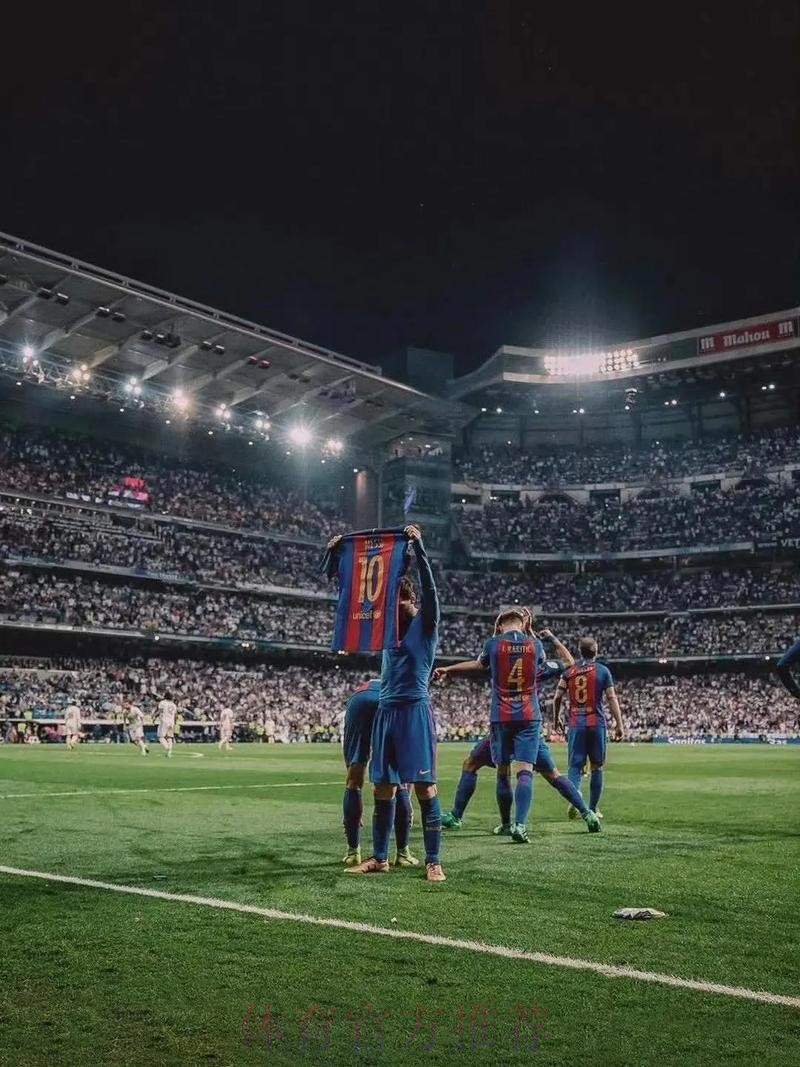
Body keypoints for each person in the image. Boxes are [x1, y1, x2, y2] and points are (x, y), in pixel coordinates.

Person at [345, 525, 445, 882]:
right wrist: (342, 554)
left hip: (414, 711)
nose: (396, 606)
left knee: (425, 788)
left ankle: (433, 861)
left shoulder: (426, 624)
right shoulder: (385, 627)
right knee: (383, 788)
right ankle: (379, 858)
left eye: (401, 600)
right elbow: (362, 591)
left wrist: (419, 549)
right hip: (386, 712)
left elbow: (430, 590)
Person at [436, 618, 600, 834]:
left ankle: (482, 821)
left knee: (484, 767)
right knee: (552, 775)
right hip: (528, 724)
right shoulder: (537, 666)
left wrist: (450, 669)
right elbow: (569, 662)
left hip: (503, 721)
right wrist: (548, 638)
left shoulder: (497, 654)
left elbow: (482, 661)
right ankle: (587, 813)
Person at [433, 607, 542, 843]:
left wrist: (449, 669)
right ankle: (520, 825)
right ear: (523, 625)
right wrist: (529, 633)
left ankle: (504, 823)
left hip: (501, 715)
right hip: (529, 715)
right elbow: (539, 662)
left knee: (502, 772)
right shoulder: (535, 645)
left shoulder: (493, 644)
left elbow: (479, 664)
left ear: (500, 625)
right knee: (525, 771)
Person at [341, 678, 417, 868]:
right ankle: (403, 853)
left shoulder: (365, 687)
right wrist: (408, 803)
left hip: (359, 702)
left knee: (353, 778)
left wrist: (351, 814)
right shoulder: (404, 686)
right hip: (392, 701)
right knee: (398, 779)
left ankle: (353, 852)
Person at [554, 637, 624, 820]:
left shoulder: (569, 672)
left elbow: (557, 697)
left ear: (579, 651)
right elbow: (611, 698)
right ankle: (592, 808)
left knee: (575, 767)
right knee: (597, 767)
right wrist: (619, 724)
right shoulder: (603, 671)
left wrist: (556, 718)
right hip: (596, 723)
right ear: (596, 651)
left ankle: (575, 798)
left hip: (576, 724)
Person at [157, 692, 178, 758]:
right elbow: (175, 715)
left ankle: (167, 748)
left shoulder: (162, 703)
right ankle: (169, 753)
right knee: (169, 737)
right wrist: (174, 723)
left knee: (160, 737)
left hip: (164, 721)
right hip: (171, 722)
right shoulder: (174, 705)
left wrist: (155, 717)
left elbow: (160, 711)